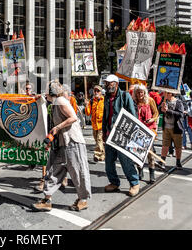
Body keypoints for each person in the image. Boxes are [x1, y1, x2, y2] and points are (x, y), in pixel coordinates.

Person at [32, 80, 91, 212]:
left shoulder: (61, 101)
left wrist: (57, 127)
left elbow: (73, 117)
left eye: (46, 90)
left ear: (51, 91)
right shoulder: (54, 102)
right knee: (54, 171)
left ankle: (83, 200)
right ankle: (47, 199)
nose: (44, 92)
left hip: (73, 142)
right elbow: (41, 98)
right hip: (63, 144)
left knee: (78, 171)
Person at [101, 75, 140, 197]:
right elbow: (105, 116)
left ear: (116, 84)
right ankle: (114, 182)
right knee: (109, 161)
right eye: (106, 83)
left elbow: (132, 115)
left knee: (125, 160)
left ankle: (134, 183)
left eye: (110, 83)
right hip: (109, 135)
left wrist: (130, 133)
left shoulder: (125, 96)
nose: (107, 85)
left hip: (122, 135)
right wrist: (103, 132)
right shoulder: (106, 97)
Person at [132, 84, 159, 184]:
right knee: (139, 152)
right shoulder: (134, 102)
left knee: (150, 153)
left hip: (149, 130)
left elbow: (156, 113)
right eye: (138, 92)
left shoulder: (150, 100)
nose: (140, 94)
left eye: (141, 92)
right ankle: (140, 171)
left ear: (144, 92)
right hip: (138, 131)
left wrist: (151, 119)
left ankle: (152, 173)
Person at [159, 91, 184, 170]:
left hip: (176, 128)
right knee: (165, 145)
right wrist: (161, 108)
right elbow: (159, 110)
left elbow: (181, 114)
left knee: (178, 146)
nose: (163, 94)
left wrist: (168, 111)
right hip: (166, 127)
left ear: (170, 93)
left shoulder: (178, 102)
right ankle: (162, 161)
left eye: (165, 93)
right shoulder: (164, 101)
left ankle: (178, 162)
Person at [85, 85, 105, 162]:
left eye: (98, 91)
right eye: (95, 91)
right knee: (97, 141)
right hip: (94, 125)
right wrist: (86, 105)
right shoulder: (91, 101)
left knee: (99, 139)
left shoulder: (104, 100)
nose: (96, 92)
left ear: (101, 92)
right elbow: (88, 113)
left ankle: (96, 155)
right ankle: (102, 155)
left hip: (102, 125)